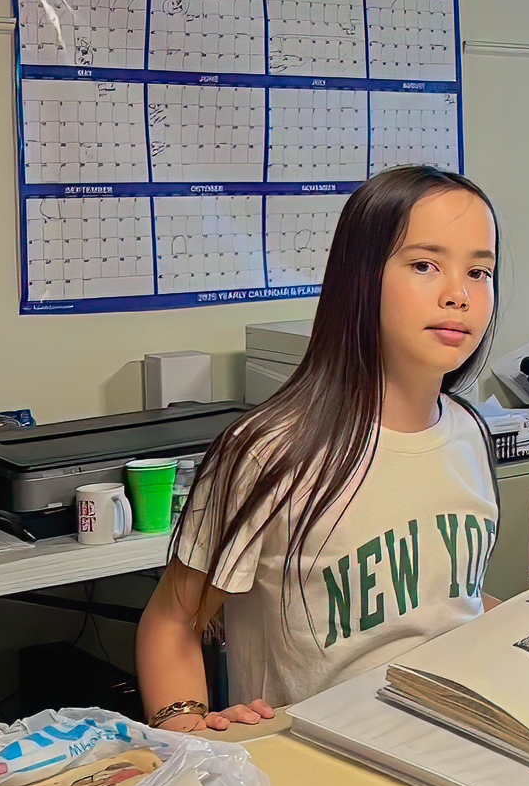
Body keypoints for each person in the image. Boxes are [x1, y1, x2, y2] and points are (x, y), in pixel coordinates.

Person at [136, 166, 501, 733]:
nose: (459, 294)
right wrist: (188, 733)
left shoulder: (469, 433)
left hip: (457, 745)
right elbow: (172, 620)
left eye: (479, 272)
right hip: (317, 759)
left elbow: (448, 601)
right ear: (360, 279)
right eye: (424, 265)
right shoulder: (270, 451)